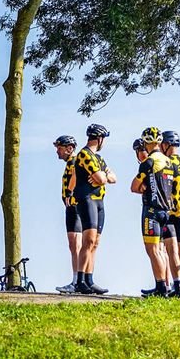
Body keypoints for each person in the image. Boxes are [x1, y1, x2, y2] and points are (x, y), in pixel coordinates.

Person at [131, 128, 178, 297]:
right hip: (167, 210)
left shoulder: (149, 162)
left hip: (151, 210)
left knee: (153, 250)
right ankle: (165, 284)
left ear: (146, 143)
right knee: (161, 249)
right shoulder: (169, 161)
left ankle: (160, 287)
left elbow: (134, 187)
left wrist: (143, 187)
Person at [72, 123, 115, 294]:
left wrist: (103, 176)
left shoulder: (99, 158)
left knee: (95, 242)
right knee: (88, 240)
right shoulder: (85, 154)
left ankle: (90, 279)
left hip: (99, 201)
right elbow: (102, 178)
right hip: (86, 199)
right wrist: (102, 176)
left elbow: (113, 177)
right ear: (99, 138)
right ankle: (80, 280)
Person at [160, 130, 180, 289]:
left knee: (166, 249)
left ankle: (168, 283)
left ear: (166, 145)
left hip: (169, 210)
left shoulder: (166, 162)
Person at [53, 135, 82, 294]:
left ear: (69, 148)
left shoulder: (75, 162)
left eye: (60, 147)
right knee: (73, 245)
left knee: (76, 244)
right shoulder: (70, 163)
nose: (57, 151)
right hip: (71, 208)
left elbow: (78, 179)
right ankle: (77, 279)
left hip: (76, 207)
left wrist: (71, 196)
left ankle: (78, 281)